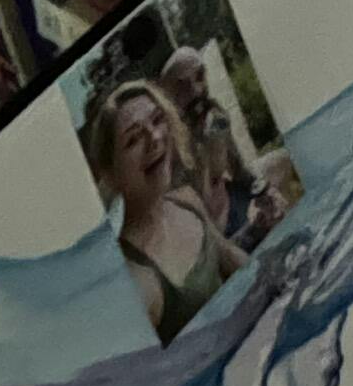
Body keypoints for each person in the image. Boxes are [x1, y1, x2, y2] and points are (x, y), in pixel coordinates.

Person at [82, 77, 242, 343]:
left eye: (157, 120)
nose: (155, 138)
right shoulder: (135, 280)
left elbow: (234, 259)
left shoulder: (186, 200)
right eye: (133, 139)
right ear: (110, 175)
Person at [161, 45, 264, 250]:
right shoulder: (172, 145)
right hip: (210, 230)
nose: (196, 90)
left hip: (231, 203)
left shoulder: (216, 118)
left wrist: (263, 190)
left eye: (199, 76)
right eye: (183, 86)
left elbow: (238, 169)